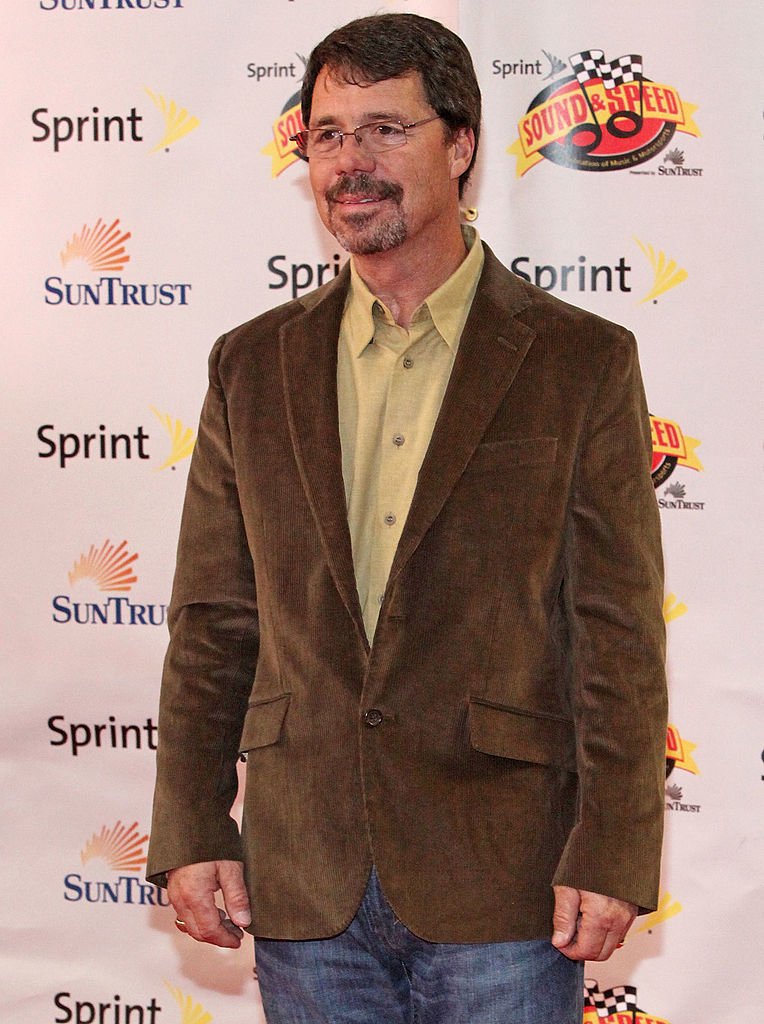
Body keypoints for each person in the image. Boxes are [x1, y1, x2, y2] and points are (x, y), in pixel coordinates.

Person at [147, 13, 667, 1023]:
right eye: (330, 134)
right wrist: (192, 820)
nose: (352, 162)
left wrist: (610, 846)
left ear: (461, 144)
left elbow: (615, 629)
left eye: (386, 129)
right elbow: (213, 618)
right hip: (305, 874)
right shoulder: (250, 365)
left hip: (504, 878)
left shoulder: (577, 360)